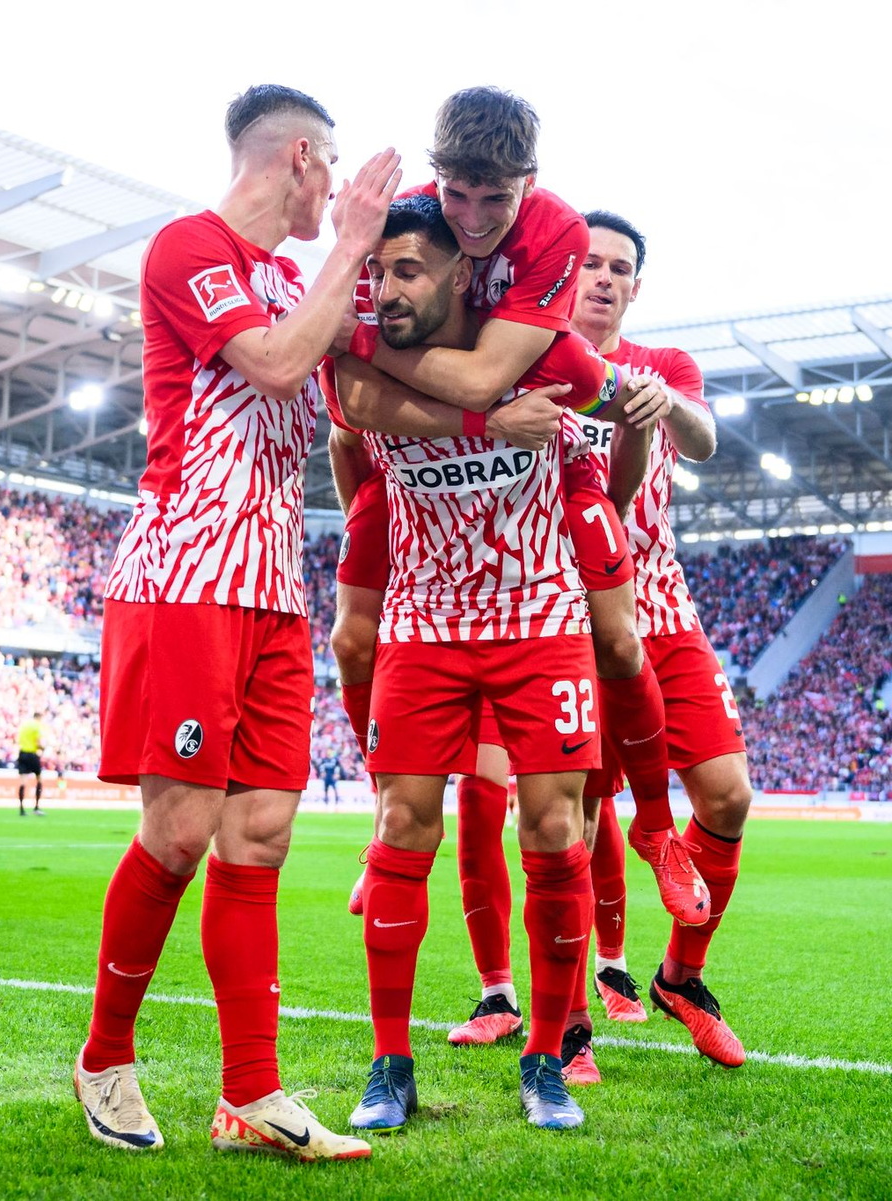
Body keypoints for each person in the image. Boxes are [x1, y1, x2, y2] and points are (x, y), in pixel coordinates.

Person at [74, 83, 400, 1161]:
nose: (341, 192)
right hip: (187, 575)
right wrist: (349, 249)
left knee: (260, 835)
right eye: (336, 169)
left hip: (271, 586)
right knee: (175, 832)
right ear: (302, 158)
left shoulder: (285, 280)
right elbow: (268, 362)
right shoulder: (189, 246)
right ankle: (105, 1058)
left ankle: (250, 1098)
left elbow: (344, 392)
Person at [331, 87, 704, 939]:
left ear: (528, 186)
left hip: (531, 401)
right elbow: (349, 408)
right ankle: (380, 811)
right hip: (423, 471)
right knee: (351, 637)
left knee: (617, 635)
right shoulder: (401, 234)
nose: (470, 217)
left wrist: (362, 347)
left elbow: (484, 376)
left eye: (494, 199)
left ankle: (656, 826)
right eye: (456, 194)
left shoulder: (556, 232)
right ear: (435, 177)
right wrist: (350, 347)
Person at [332, 195, 634, 1134]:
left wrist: (648, 414)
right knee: (402, 824)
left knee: (553, 829)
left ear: (462, 274)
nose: (384, 290)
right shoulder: (355, 350)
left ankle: (546, 1054)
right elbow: (351, 426)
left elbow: (616, 410)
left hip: (539, 616)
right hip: (424, 626)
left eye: (406, 272)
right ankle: (391, 1063)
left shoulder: (546, 353)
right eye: (376, 272)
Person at [569, 210, 752, 1068]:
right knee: (566, 818)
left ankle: (682, 976)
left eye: (620, 268)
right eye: (591, 262)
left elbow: (708, 440)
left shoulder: (664, 366)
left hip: (662, 607)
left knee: (728, 796)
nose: (603, 277)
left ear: (636, 287)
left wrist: (666, 402)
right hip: (563, 612)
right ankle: (568, 1020)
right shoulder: (526, 358)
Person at [16, 710, 46, 816]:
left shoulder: (24, 725)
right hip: (32, 754)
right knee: (39, 779)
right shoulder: (36, 726)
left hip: (22, 753)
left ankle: (22, 809)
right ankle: (36, 807)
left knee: (23, 782)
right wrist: (43, 747)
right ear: (39, 717)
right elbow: (38, 743)